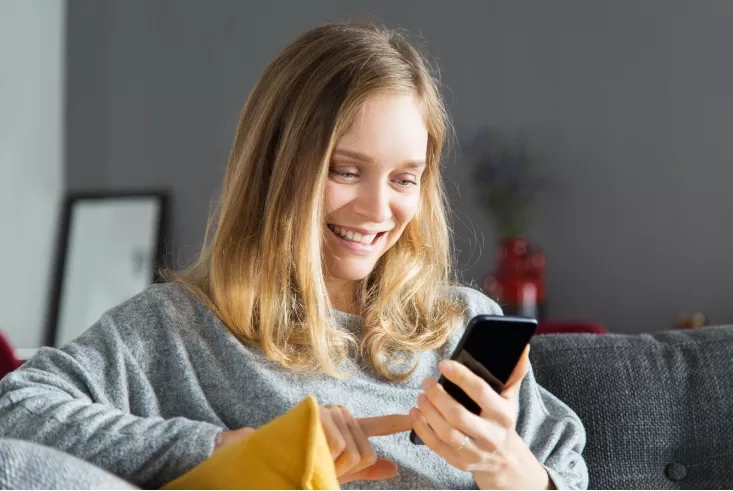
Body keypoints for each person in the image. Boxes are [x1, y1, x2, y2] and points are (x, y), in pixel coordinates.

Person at [0, 23, 588, 489]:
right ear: (275, 168)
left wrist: (503, 466)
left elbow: (567, 468)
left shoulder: (457, 323)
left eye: (404, 179)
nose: (376, 208)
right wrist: (233, 453)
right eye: (345, 170)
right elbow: (18, 413)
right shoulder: (179, 328)